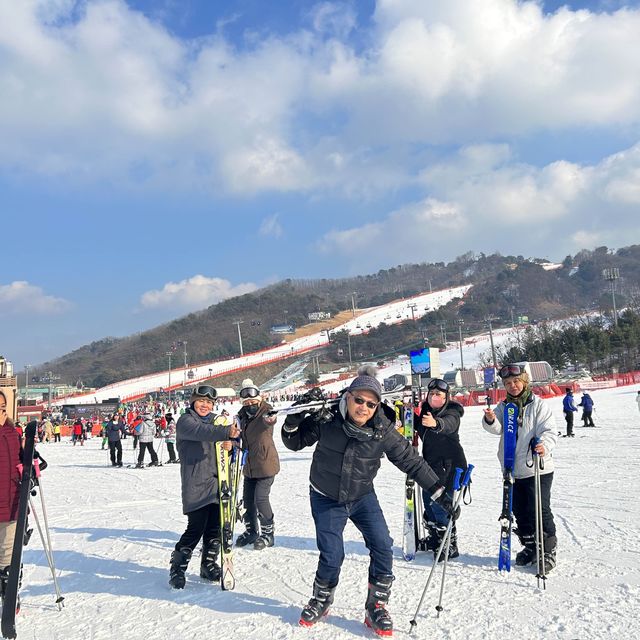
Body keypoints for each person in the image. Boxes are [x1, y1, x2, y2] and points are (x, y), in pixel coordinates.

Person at [281, 366, 457, 636]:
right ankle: (321, 599)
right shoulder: (327, 419)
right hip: (326, 497)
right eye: (359, 400)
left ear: (377, 406)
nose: (363, 407)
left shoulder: (382, 429)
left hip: (362, 495)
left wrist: (439, 493)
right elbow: (294, 442)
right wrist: (292, 421)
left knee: (383, 546)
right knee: (332, 554)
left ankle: (376, 605)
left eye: (370, 403)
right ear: (348, 397)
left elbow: (410, 460)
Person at [482, 364, 558, 572]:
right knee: (518, 511)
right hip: (512, 469)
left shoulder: (538, 405)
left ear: (524, 382)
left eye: (516, 382)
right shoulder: (504, 406)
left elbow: (550, 430)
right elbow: (497, 428)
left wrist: (545, 445)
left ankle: (548, 550)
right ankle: (531, 546)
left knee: (539, 509)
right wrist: (490, 419)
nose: (513, 386)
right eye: (508, 383)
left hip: (537, 467)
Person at [169, 386, 240, 589]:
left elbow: (230, 446)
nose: (205, 405)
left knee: (215, 528)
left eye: (209, 403)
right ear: (193, 402)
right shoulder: (186, 421)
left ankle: (208, 565)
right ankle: (177, 569)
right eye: (201, 401)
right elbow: (202, 432)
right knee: (195, 528)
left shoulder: (217, 421)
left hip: (218, 483)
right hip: (196, 484)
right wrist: (225, 432)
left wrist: (230, 445)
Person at [414, 378, 466, 560]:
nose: (434, 397)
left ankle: (449, 544)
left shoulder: (452, 411)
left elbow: (449, 424)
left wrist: (436, 424)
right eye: (432, 394)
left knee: (441, 505)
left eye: (438, 394)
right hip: (429, 466)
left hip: (449, 466)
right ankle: (435, 538)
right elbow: (419, 428)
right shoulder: (426, 412)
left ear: (446, 397)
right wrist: (405, 415)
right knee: (428, 502)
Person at [234, 379, 279, 550]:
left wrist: (271, 418)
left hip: (266, 465)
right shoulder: (242, 417)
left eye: (253, 402)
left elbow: (270, 420)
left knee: (261, 498)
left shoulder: (265, 412)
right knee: (248, 501)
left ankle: (268, 534)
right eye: (247, 403)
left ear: (259, 400)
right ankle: (252, 530)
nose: (250, 405)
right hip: (249, 467)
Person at [0, 390, 22, 604]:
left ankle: (9, 593)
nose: (1, 411)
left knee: (8, 552)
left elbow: (19, 463)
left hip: (11, 502)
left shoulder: (13, 433)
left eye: (3, 407)